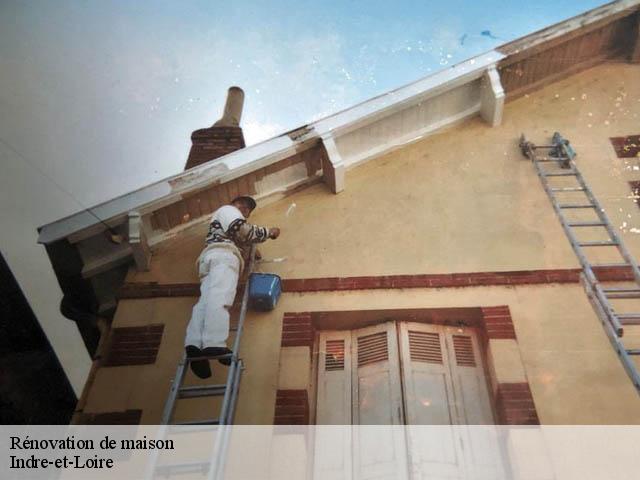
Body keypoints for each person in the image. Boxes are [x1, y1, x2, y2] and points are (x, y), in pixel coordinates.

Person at [184, 195, 280, 378]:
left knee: (205, 302)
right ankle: (214, 344)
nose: (244, 212)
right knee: (221, 297)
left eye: (247, 210)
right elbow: (241, 230)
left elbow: (239, 236)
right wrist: (269, 232)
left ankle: (194, 345)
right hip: (223, 258)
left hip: (211, 258)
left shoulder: (223, 219)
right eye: (243, 208)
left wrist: (252, 249)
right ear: (237, 206)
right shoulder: (228, 211)